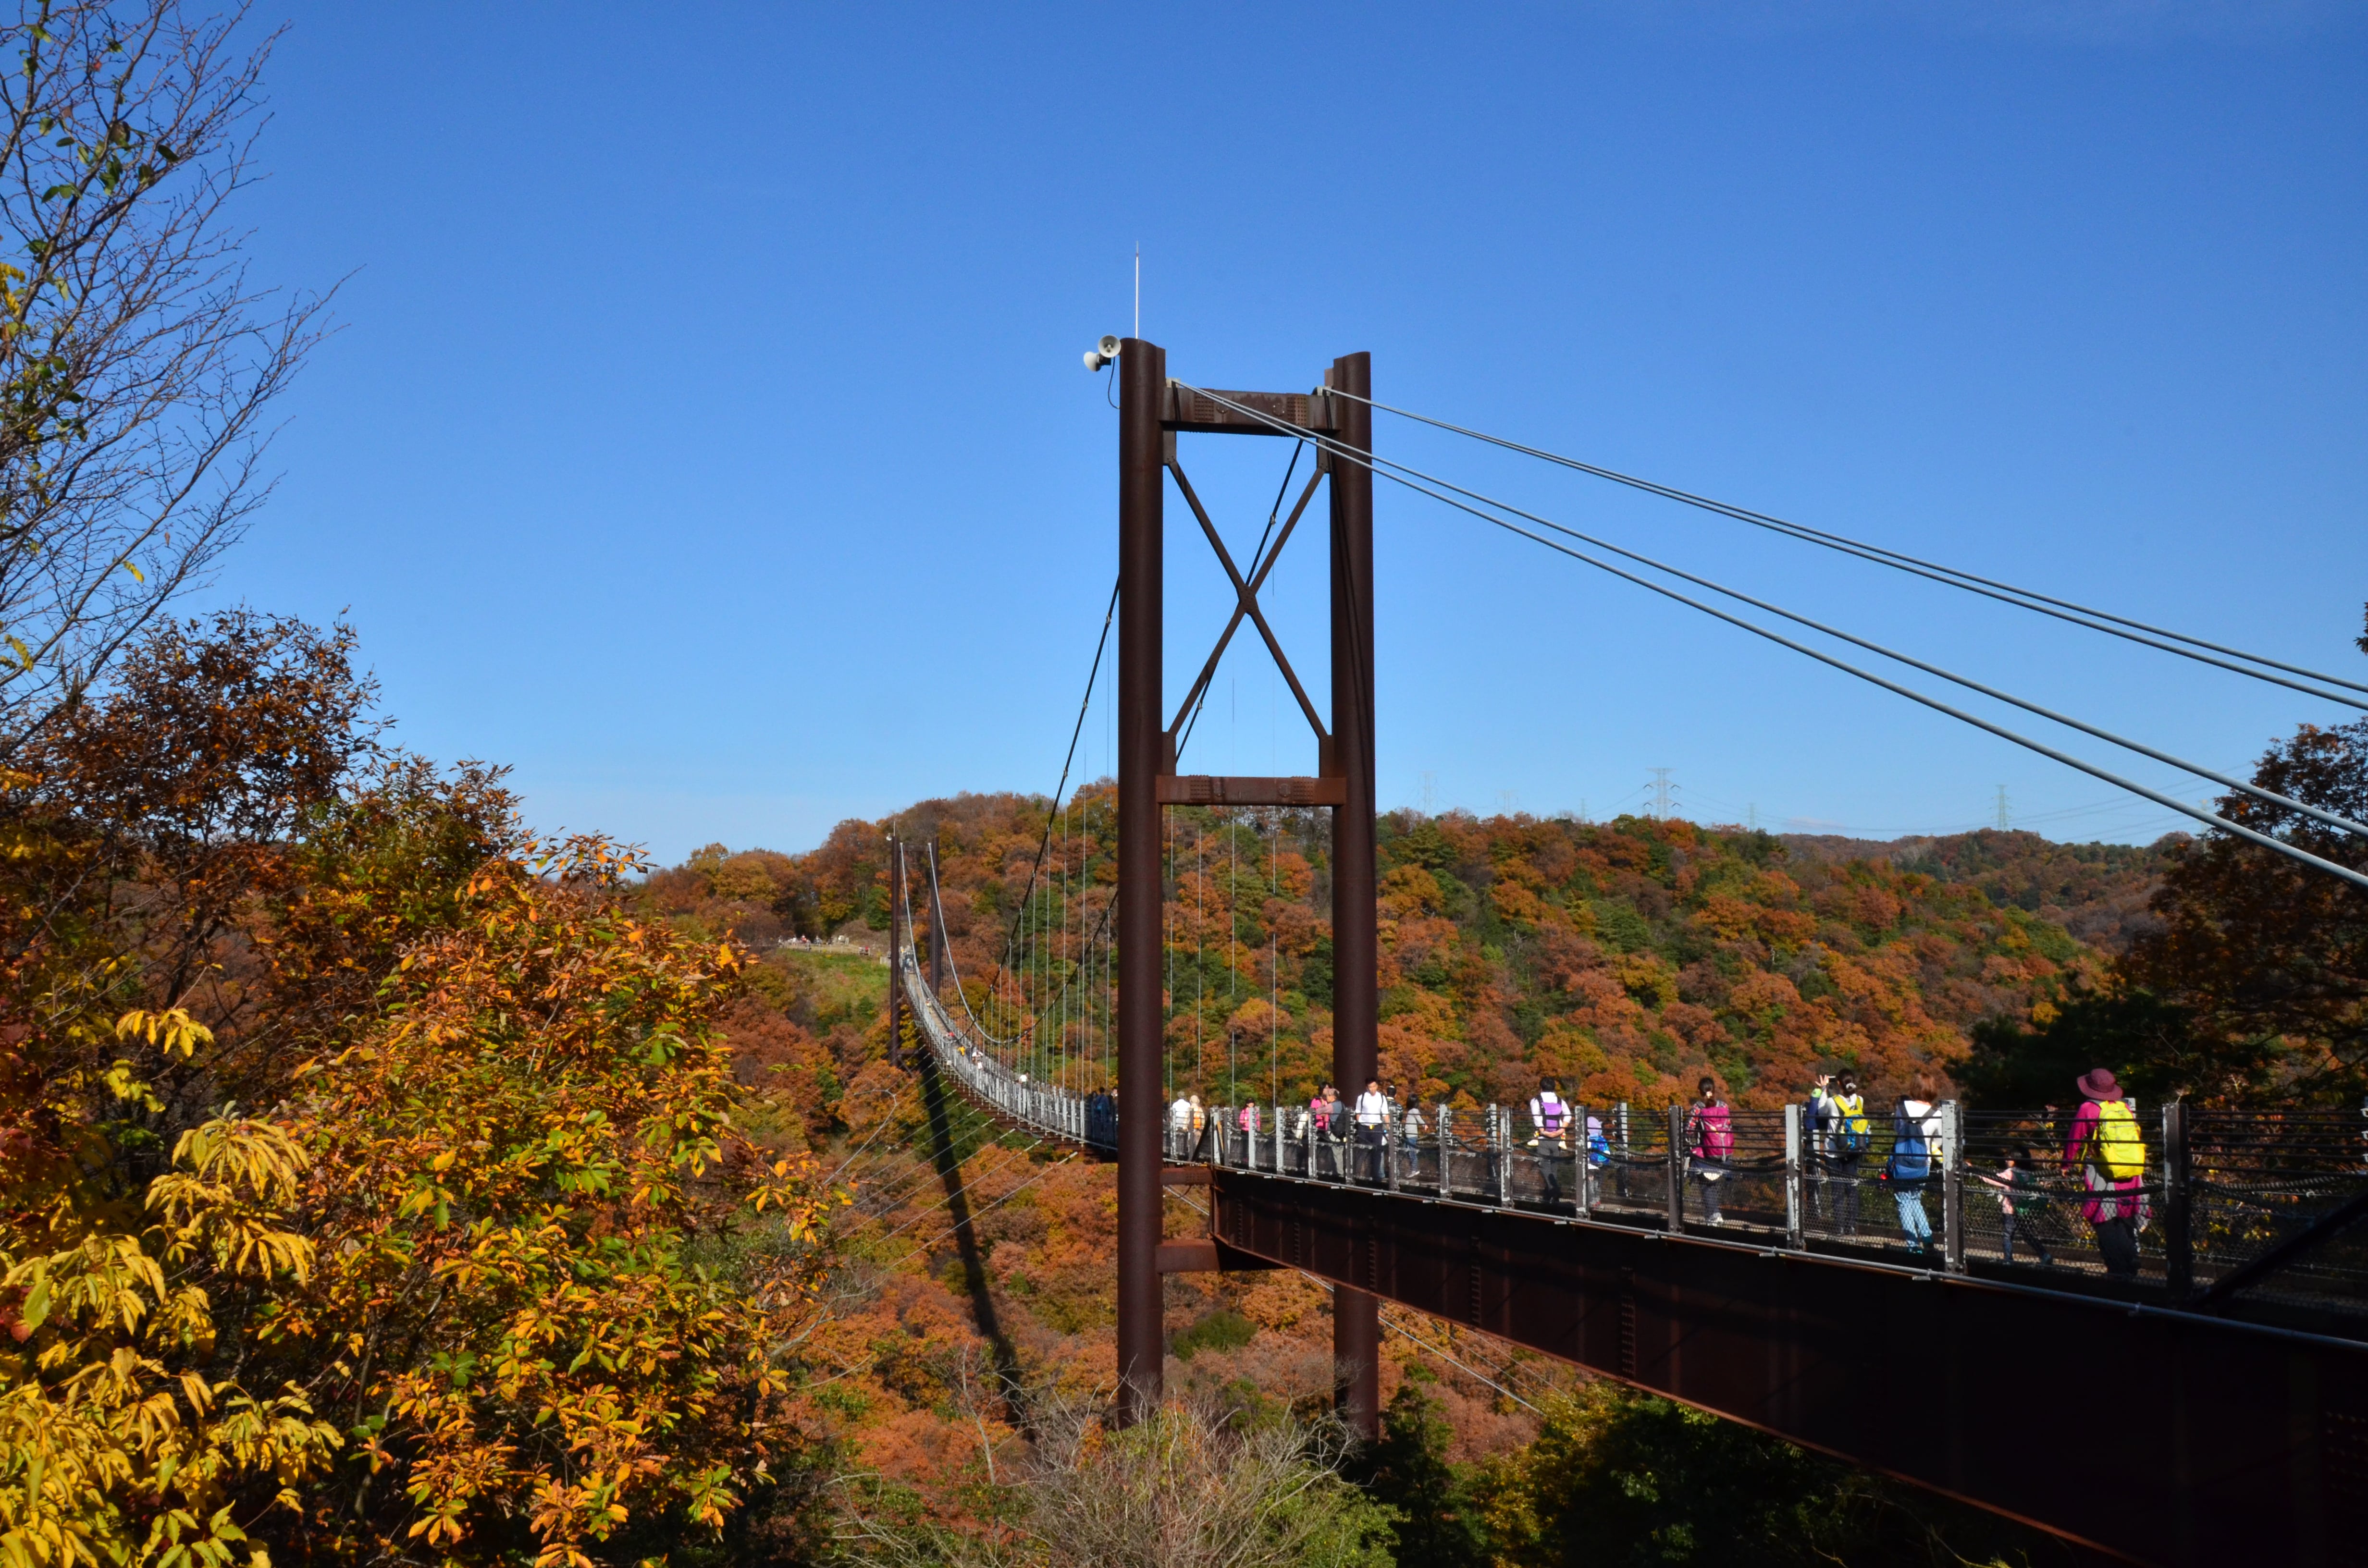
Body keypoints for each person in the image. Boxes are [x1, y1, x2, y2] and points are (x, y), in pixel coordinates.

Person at [2064, 1067, 2145, 1280]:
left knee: (2104, 1223)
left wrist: (2067, 1165)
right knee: (2125, 1221)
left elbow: (2075, 1140)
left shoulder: (2088, 1109)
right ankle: (2131, 1260)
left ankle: (2117, 1271)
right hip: (2131, 1174)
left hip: (2104, 1174)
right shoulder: (2124, 1108)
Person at [1887, 1077, 1944, 1256]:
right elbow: (1939, 1141)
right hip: (1923, 1164)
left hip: (1901, 1164)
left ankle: (1913, 1247)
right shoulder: (1937, 1114)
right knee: (1915, 1200)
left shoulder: (1902, 1108)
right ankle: (1927, 1239)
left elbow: (1898, 1130)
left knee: (1904, 1203)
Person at [1811, 1072, 1869, 1236]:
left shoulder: (1833, 1101)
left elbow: (1821, 1112)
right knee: (1852, 1188)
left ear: (1838, 1084)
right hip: (1853, 1149)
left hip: (1834, 1150)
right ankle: (1852, 1226)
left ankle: (1839, 1227)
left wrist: (1824, 1089)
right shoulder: (1860, 1100)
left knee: (1837, 1189)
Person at [1977, 1144, 2053, 1266]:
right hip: (2025, 1211)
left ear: (2015, 1160)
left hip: (2011, 1210)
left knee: (2008, 1235)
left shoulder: (2010, 1174)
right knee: (2028, 1235)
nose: (2007, 1160)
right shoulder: (2028, 1174)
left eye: (2009, 1158)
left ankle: (2008, 1259)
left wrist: (1979, 1173)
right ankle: (2045, 1255)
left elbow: (1993, 1179)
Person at [1685, 1076, 1734, 1225]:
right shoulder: (1724, 1106)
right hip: (1725, 1153)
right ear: (1714, 1091)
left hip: (1707, 1153)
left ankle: (1714, 1214)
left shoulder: (1699, 1108)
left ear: (1699, 1091)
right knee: (1710, 1183)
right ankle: (1714, 1213)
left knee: (1704, 1182)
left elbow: (1688, 1130)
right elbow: (1729, 1126)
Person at [1530, 1079, 1573, 1204]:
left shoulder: (1536, 1100)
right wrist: (1561, 1130)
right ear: (1554, 1088)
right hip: (1558, 1138)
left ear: (1541, 1088)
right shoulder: (1560, 1101)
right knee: (1554, 1167)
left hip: (1543, 1138)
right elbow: (1568, 1115)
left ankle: (1554, 1191)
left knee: (1544, 1165)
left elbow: (1536, 1117)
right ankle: (1551, 1196)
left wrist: (1543, 1131)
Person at [1355, 1078, 1390, 1182]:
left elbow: (1385, 1114)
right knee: (1362, 1151)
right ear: (1367, 1088)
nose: (1372, 1089)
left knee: (1377, 1152)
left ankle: (1376, 1176)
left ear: (1377, 1086)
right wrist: (1360, 1121)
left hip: (1377, 1127)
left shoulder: (1382, 1098)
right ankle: (1360, 1174)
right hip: (1364, 1127)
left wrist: (1389, 1129)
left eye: (1374, 1086)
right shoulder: (1361, 1098)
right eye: (1370, 1087)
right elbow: (1358, 1112)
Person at [1169, 1091, 1193, 1161]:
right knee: (1185, 1135)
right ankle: (1184, 1149)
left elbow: (1172, 1114)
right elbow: (1189, 1114)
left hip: (1176, 1120)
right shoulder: (1188, 1104)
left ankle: (1176, 1149)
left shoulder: (1175, 1104)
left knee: (1177, 1135)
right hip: (1184, 1121)